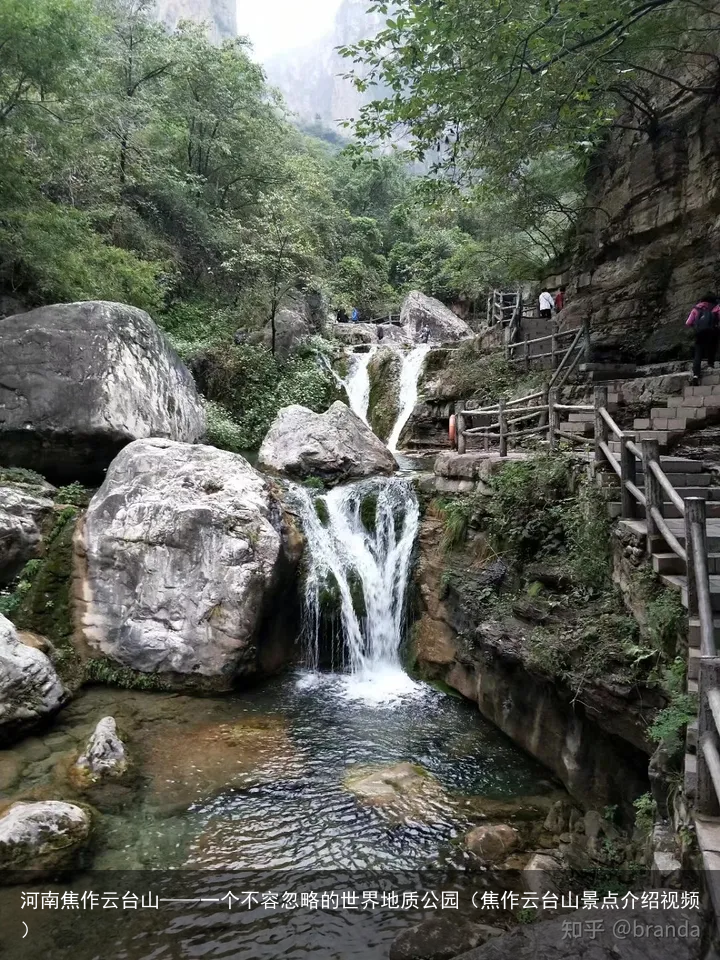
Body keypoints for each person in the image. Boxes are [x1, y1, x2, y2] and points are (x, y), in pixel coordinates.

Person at [686, 293, 720, 385]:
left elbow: (688, 322)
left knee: (698, 353)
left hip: (700, 333)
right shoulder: (716, 307)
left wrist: (697, 326)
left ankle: (696, 375)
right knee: (712, 346)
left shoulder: (696, 308)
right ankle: (710, 364)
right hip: (713, 331)